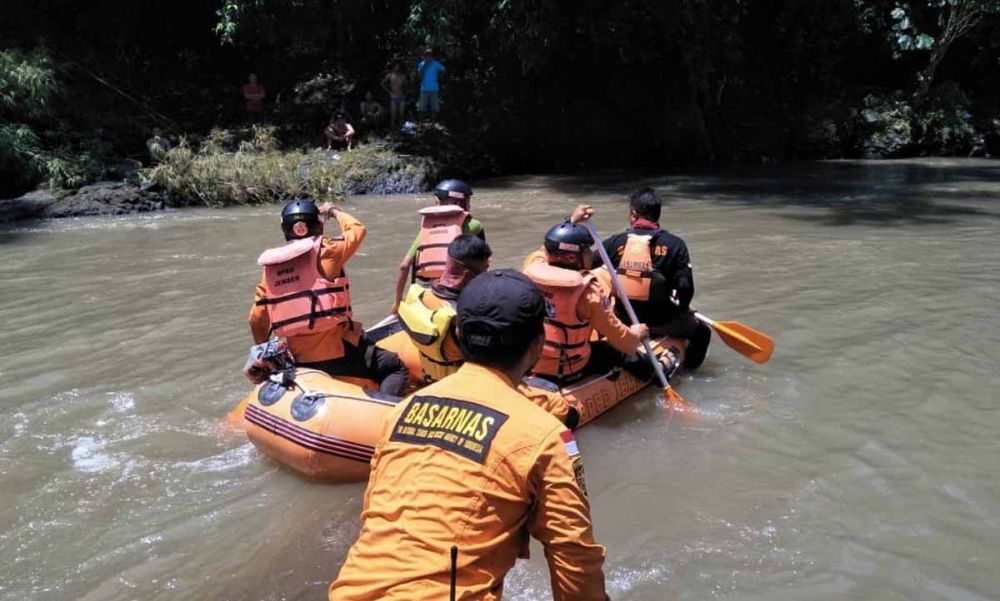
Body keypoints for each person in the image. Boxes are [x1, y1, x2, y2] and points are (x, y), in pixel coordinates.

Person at [329, 269, 609, 600]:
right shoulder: (544, 435)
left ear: (458, 334)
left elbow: (375, 515)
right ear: (538, 344)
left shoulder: (402, 411)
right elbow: (575, 559)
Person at [248, 198, 408, 396]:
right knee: (395, 367)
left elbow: (256, 319)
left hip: (300, 359)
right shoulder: (328, 249)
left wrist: (264, 353)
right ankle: (387, 408)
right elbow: (357, 229)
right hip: (340, 351)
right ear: (317, 224)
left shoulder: (270, 270)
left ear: (285, 228)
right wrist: (333, 211)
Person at [522, 205, 655, 385]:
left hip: (532, 362)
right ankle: (655, 374)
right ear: (571, 258)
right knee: (616, 352)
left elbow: (547, 249)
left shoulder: (531, 267)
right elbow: (621, 338)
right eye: (586, 250)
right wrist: (636, 334)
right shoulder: (587, 291)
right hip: (568, 367)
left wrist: (571, 222)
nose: (590, 255)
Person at [595, 188, 711, 369]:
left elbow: (587, 263)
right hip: (661, 321)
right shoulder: (675, 245)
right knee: (703, 332)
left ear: (634, 214)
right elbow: (685, 286)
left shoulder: (615, 242)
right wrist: (684, 309)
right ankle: (688, 373)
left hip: (623, 319)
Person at [397, 235, 491, 383]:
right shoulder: (463, 315)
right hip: (460, 382)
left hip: (430, 371)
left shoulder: (424, 295)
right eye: (485, 268)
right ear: (470, 274)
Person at [390, 179, 485, 314]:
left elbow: (404, 266)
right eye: (468, 201)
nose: (470, 206)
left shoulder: (427, 228)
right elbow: (483, 265)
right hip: (457, 292)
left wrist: (397, 302)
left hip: (428, 290)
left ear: (437, 202)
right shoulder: (475, 225)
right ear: (461, 203)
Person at [416, 48, 445, 121]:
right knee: (421, 108)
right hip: (424, 89)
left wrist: (439, 78)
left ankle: (433, 124)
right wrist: (425, 66)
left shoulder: (436, 63)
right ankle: (421, 123)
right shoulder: (422, 64)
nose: (428, 56)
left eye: (430, 54)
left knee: (434, 108)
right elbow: (419, 76)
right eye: (427, 54)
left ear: (432, 55)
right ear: (425, 55)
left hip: (434, 89)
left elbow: (443, 69)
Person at [381, 62, 408, 127]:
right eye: (396, 66)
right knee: (393, 114)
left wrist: (405, 93)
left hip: (401, 96)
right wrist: (389, 91)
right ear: (393, 67)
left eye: (398, 66)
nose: (397, 68)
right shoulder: (390, 75)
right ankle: (392, 127)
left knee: (401, 114)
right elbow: (382, 83)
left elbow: (406, 86)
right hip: (393, 96)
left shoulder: (403, 76)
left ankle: (400, 127)